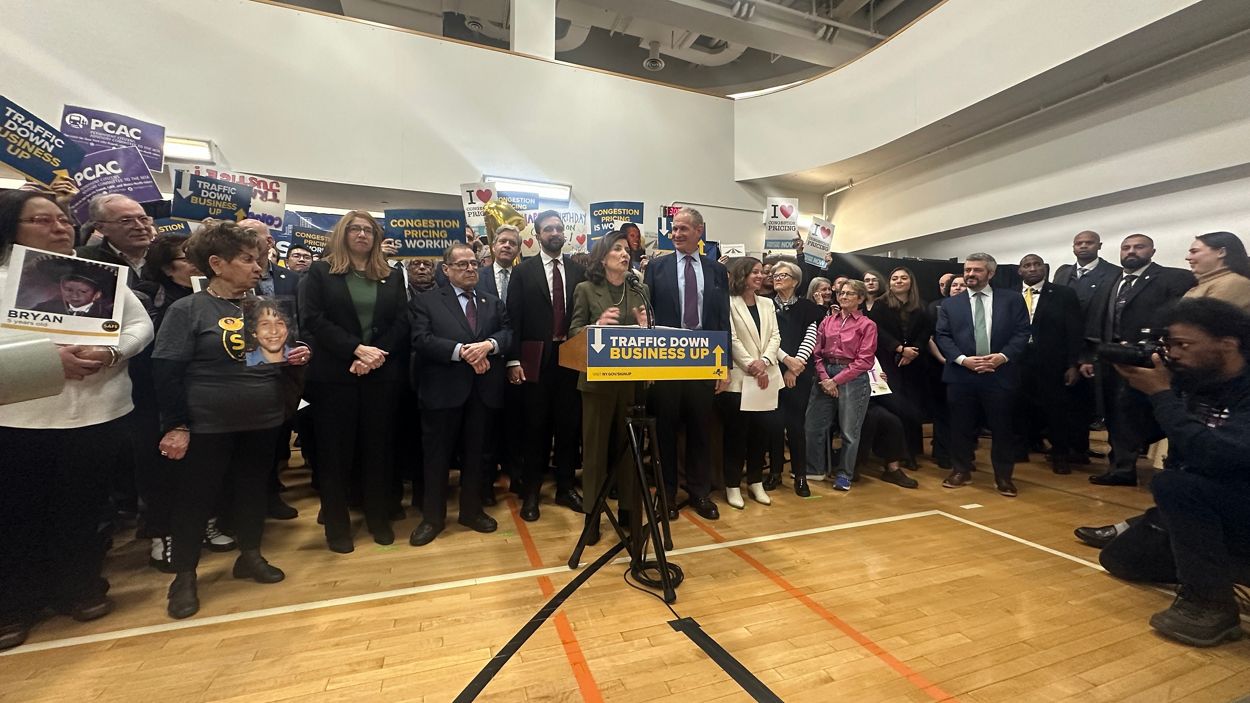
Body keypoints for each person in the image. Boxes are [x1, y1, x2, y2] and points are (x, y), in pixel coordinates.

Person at [0, 191, 153, 650]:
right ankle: (15, 603)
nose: (59, 227)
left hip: (97, 413)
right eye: (42, 220)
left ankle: (79, 587)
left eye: (63, 219)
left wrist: (112, 351)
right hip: (21, 419)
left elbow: (140, 326)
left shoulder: (99, 276)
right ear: (11, 227)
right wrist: (49, 361)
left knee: (84, 510)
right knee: (17, 514)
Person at [152, 220, 309, 620]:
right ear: (217, 264)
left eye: (259, 259)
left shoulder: (265, 308)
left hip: (263, 418)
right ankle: (184, 575)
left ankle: (250, 555)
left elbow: (273, 357)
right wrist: (176, 425)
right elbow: (166, 372)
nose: (258, 267)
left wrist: (295, 355)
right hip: (207, 423)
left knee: (252, 491)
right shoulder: (187, 309)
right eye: (247, 260)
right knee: (195, 499)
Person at [1081, 299, 1250, 647]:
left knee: (1174, 485)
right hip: (1209, 503)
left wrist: (1161, 394)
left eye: (1183, 345)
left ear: (1227, 344)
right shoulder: (1196, 379)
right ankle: (1222, 566)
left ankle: (1211, 605)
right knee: (1121, 559)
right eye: (1169, 344)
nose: (1173, 354)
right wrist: (1135, 386)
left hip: (1238, 498)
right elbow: (1138, 436)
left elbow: (1216, 454)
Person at [299, 211, 409, 553]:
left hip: (380, 374)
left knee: (378, 451)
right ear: (342, 234)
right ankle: (337, 527)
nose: (362, 234)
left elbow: (402, 322)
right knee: (335, 454)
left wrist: (375, 354)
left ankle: (378, 519)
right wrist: (356, 350)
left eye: (368, 230)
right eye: (355, 229)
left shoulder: (391, 275)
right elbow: (313, 319)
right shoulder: (321, 272)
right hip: (335, 375)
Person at [408, 243, 511, 546]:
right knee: (436, 457)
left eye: (474, 263)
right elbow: (421, 339)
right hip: (442, 391)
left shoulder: (492, 302)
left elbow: (508, 333)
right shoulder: (426, 302)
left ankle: (471, 511)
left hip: (482, 391)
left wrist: (489, 345)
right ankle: (432, 518)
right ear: (446, 269)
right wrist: (462, 351)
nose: (470, 269)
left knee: (476, 455)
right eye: (462, 264)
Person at [1080, 234, 1196, 486]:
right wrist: (1089, 357)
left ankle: (1161, 468)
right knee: (1114, 414)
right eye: (1126, 247)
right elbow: (1096, 320)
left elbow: (1179, 319)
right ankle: (1121, 467)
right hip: (1110, 359)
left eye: (1138, 247)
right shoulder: (1111, 280)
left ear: (1152, 251)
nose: (1131, 251)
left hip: (1147, 360)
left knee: (1144, 415)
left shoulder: (1172, 278)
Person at [644, 207, 729, 520]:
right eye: (674, 229)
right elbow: (648, 316)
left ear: (699, 231)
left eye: (683, 229)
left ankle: (699, 493)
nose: (676, 234)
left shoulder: (716, 270)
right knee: (664, 429)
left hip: (704, 359)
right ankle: (666, 495)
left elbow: (722, 319)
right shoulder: (657, 267)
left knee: (700, 430)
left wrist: (724, 366)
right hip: (666, 359)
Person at [568, 230, 650, 542]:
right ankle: (592, 514)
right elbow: (574, 331)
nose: (625, 254)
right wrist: (597, 326)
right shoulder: (586, 289)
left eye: (627, 249)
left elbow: (649, 332)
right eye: (617, 249)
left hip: (631, 382)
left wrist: (646, 328)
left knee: (630, 449)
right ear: (603, 258)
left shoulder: (639, 288)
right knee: (595, 452)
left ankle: (628, 509)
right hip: (597, 383)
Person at [505, 210, 586, 521]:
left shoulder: (578, 271)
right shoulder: (523, 272)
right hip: (535, 360)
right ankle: (532, 493)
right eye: (548, 229)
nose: (555, 233)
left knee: (568, 427)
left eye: (559, 228)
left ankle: (565, 487)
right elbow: (513, 319)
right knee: (535, 428)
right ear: (537, 235)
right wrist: (513, 359)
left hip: (571, 359)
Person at [934, 253, 1032, 497]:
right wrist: (963, 360)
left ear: (991, 273)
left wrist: (1002, 357)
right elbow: (943, 336)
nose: (970, 274)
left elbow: (1022, 332)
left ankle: (1003, 476)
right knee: (960, 426)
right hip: (961, 374)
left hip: (999, 373)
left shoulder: (1011, 300)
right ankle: (961, 470)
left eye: (977, 270)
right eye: (967, 270)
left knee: (1002, 428)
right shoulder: (950, 304)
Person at [720, 257, 784, 509]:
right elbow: (731, 338)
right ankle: (732, 485)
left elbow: (776, 336)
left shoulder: (767, 303)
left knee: (760, 434)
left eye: (761, 272)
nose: (760, 276)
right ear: (742, 274)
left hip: (766, 377)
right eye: (754, 272)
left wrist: (765, 361)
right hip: (740, 378)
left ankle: (755, 482)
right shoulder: (728, 302)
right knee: (736, 436)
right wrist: (751, 365)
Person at [1010, 254, 1084, 473]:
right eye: (1027, 265)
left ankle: (1060, 454)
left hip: (1052, 362)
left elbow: (1074, 330)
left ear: (1045, 268)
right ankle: (1019, 448)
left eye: (1037, 264)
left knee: (1056, 410)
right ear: (1020, 271)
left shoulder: (1063, 294)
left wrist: (1073, 364)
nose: (1032, 268)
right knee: (1017, 406)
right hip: (1017, 360)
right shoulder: (1009, 295)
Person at [805, 279, 877, 491]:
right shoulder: (827, 321)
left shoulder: (867, 325)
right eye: (841, 293)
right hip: (825, 372)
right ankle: (815, 469)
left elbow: (865, 361)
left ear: (860, 298)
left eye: (849, 293)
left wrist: (835, 381)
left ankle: (845, 474)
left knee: (849, 431)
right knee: (813, 425)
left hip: (852, 377)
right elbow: (817, 353)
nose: (843, 296)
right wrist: (824, 378)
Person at [866, 266, 932, 468]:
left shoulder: (921, 305)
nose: (899, 281)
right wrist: (899, 348)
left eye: (904, 278)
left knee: (912, 408)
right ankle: (893, 453)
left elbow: (926, 332)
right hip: (889, 362)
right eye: (895, 278)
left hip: (914, 363)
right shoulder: (880, 304)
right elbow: (876, 331)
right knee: (895, 408)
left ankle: (911, 453)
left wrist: (913, 352)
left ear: (911, 282)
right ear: (890, 283)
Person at [770, 260, 824, 496]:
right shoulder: (766, 304)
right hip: (772, 370)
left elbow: (811, 337)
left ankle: (800, 476)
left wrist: (795, 367)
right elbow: (766, 338)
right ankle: (774, 473)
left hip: (798, 374)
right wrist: (786, 362)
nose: (777, 278)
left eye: (783, 275)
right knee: (773, 425)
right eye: (775, 275)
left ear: (795, 281)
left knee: (795, 426)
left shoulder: (807, 307)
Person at [926, 275, 965, 468]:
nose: (958, 288)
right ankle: (942, 453)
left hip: (968, 366)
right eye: (954, 285)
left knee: (964, 413)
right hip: (940, 364)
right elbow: (930, 337)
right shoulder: (935, 307)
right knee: (942, 412)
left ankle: (964, 455)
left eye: (962, 285)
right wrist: (944, 359)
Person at [76, 194, 152, 286]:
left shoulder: (165, 254)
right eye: (126, 221)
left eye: (143, 219)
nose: (140, 226)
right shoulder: (83, 261)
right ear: (101, 228)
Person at [1054, 231, 1123, 315]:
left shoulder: (1115, 273)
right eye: (1078, 244)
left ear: (1099, 246)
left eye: (1089, 243)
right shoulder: (1062, 273)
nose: (1083, 246)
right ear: (1073, 248)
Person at [1184, 231, 1250, 312]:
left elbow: (1206, 317)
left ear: (1221, 252)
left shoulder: (1233, 283)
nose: (1187, 257)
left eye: (1194, 252)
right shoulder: (1207, 283)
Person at [31, 272, 112, 318]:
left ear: (97, 294)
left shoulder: (105, 315)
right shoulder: (44, 308)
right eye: (69, 290)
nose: (74, 296)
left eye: (83, 291)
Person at [244, 299, 294, 365]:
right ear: (254, 332)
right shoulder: (244, 362)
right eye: (265, 324)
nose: (274, 331)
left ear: (287, 329)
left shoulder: (301, 356)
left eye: (279, 323)